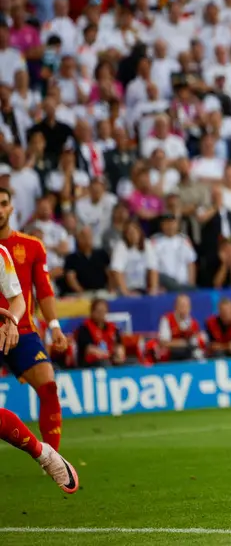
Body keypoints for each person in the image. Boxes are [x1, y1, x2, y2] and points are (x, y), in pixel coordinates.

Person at [0, 255, 78, 494]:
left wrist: (13, 321)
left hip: (16, 332)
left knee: (48, 385)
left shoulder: (1, 254)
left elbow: (18, 300)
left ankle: (46, 455)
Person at [0, 187, 64, 451]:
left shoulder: (32, 246)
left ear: (11, 208)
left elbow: (44, 290)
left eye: (3, 203)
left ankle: (53, 459)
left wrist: (55, 325)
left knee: (49, 386)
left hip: (21, 330)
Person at [74, 298, 127, 367]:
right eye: (98, 311)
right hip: (91, 363)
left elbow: (119, 345)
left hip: (110, 359)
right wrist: (109, 355)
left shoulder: (113, 327)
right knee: (105, 364)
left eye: (103, 311)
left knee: (132, 363)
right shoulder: (84, 328)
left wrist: (119, 353)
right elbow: (90, 350)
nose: (101, 314)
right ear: (92, 312)